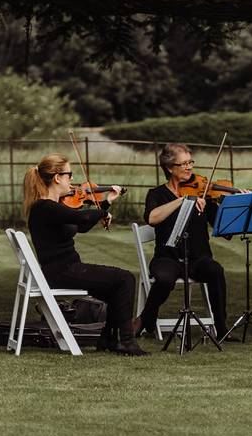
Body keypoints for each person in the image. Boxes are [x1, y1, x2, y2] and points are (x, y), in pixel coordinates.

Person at [24, 154, 147, 356]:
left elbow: (81, 225)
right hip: (62, 272)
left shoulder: (53, 207)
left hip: (65, 269)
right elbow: (84, 216)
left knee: (116, 287)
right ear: (57, 178)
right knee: (125, 278)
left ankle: (108, 339)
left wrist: (105, 203)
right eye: (69, 175)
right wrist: (102, 211)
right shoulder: (45, 207)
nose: (72, 180)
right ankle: (126, 341)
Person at [133, 143, 231, 341]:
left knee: (215, 271)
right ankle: (147, 318)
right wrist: (182, 200)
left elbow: (224, 227)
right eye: (183, 164)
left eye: (190, 162)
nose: (189, 168)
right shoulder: (157, 194)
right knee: (163, 279)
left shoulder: (203, 194)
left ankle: (221, 328)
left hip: (198, 258)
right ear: (170, 168)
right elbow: (152, 218)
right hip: (167, 257)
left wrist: (235, 203)